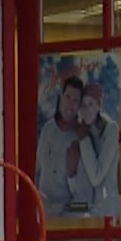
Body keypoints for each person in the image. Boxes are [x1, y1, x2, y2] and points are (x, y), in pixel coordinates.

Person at [33, 76, 86, 215]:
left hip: (66, 219)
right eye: (68, 97)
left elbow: (84, 199)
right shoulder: (47, 129)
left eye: (75, 101)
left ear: (80, 106)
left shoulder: (81, 140)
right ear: (61, 98)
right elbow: (36, 170)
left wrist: (72, 172)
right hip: (41, 214)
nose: (70, 104)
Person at [69, 83, 120, 218]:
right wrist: (71, 173)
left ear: (98, 106)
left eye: (90, 104)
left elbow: (96, 176)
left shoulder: (110, 130)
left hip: (106, 211)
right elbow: (77, 186)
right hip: (85, 213)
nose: (86, 110)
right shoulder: (80, 131)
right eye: (83, 105)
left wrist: (84, 139)